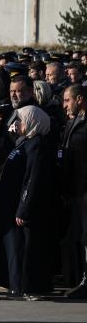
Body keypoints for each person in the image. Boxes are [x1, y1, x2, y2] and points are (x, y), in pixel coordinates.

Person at [0, 105, 53, 299]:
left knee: (25, 250)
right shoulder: (24, 142)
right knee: (14, 249)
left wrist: (23, 209)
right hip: (10, 207)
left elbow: (32, 180)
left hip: (22, 208)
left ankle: (27, 287)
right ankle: (15, 285)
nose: (18, 124)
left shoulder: (37, 145)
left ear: (33, 122)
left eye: (22, 121)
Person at [60, 85, 87, 299]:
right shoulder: (72, 122)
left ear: (79, 99)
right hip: (75, 190)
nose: (64, 105)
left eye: (68, 100)